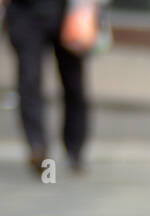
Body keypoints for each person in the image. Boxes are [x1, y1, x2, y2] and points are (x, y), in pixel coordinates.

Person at [4, 0, 92, 176]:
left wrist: (87, 7)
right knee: (29, 80)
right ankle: (37, 146)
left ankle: (74, 149)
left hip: (67, 10)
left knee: (73, 83)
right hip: (25, 11)